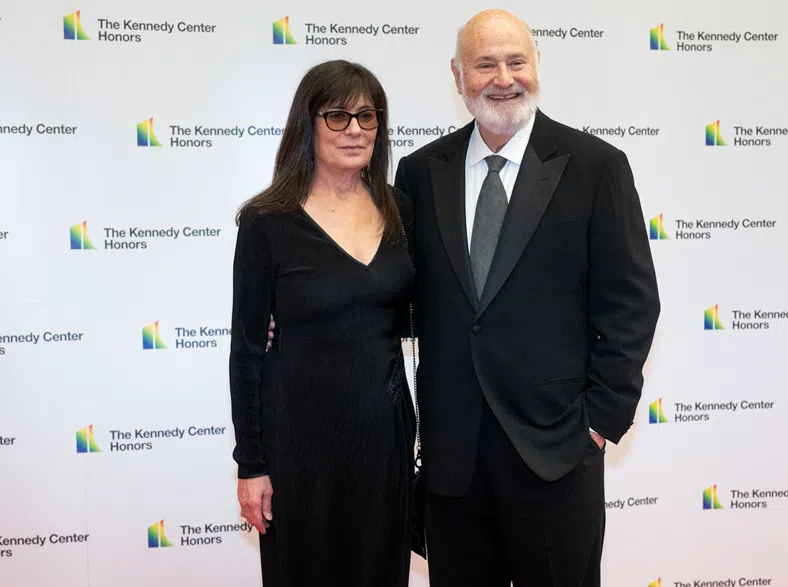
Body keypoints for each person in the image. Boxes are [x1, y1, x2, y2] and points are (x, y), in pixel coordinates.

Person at [392, 9, 661, 587]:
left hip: (557, 454)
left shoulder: (597, 168)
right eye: (485, 63)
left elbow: (632, 303)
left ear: (537, 64)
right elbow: (398, 292)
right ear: (458, 75)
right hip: (452, 459)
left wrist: (597, 424)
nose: (503, 77)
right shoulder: (419, 173)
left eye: (516, 60)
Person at [228, 59, 416, 587]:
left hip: (384, 439)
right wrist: (251, 464)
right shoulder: (267, 221)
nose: (355, 130)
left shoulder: (399, 208)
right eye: (337, 116)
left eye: (367, 116)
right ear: (307, 124)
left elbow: (413, 312)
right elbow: (246, 352)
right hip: (297, 445)